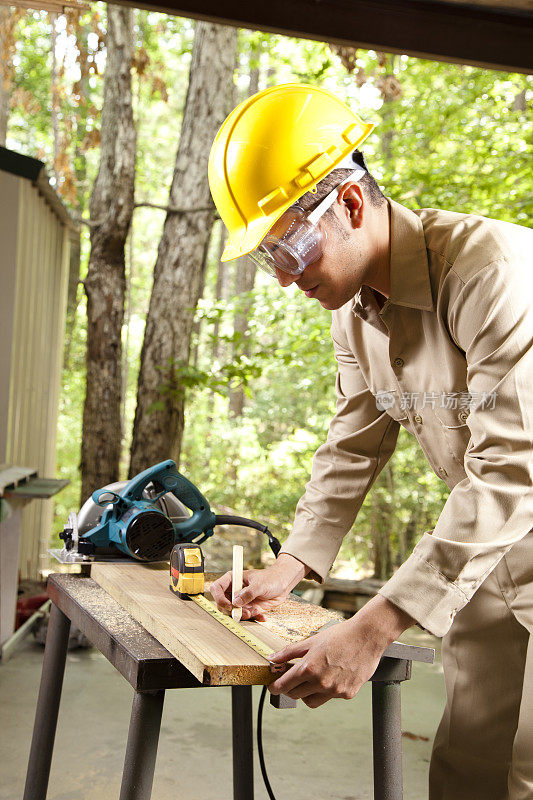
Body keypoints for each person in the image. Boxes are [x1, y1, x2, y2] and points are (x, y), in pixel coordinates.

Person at [208, 83, 533, 800]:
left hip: (508, 517)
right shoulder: (353, 315)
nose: (286, 278)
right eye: (269, 259)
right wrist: (290, 566)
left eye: (289, 245)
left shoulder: (491, 272)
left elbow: (512, 469)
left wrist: (374, 625)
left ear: (350, 204)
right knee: (466, 778)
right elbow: (352, 444)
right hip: (483, 563)